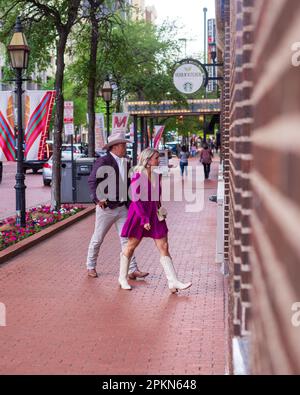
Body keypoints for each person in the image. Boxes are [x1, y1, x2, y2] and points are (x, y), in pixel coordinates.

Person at [119, 148, 192, 292]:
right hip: (140, 214)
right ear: (147, 161)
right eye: (156, 158)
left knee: (164, 246)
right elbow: (136, 199)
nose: (159, 160)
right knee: (131, 246)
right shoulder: (137, 175)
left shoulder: (157, 175)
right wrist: (144, 219)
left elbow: (156, 196)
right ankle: (122, 278)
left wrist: (160, 210)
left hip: (154, 214)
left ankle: (173, 282)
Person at [86, 131, 149, 280]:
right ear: (115, 147)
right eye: (123, 145)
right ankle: (90, 266)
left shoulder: (126, 161)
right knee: (98, 238)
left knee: (127, 239)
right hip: (106, 208)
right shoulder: (103, 161)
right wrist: (97, 199)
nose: (125, 148)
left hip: (122, 208)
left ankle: (132, 270)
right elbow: (91, 181)